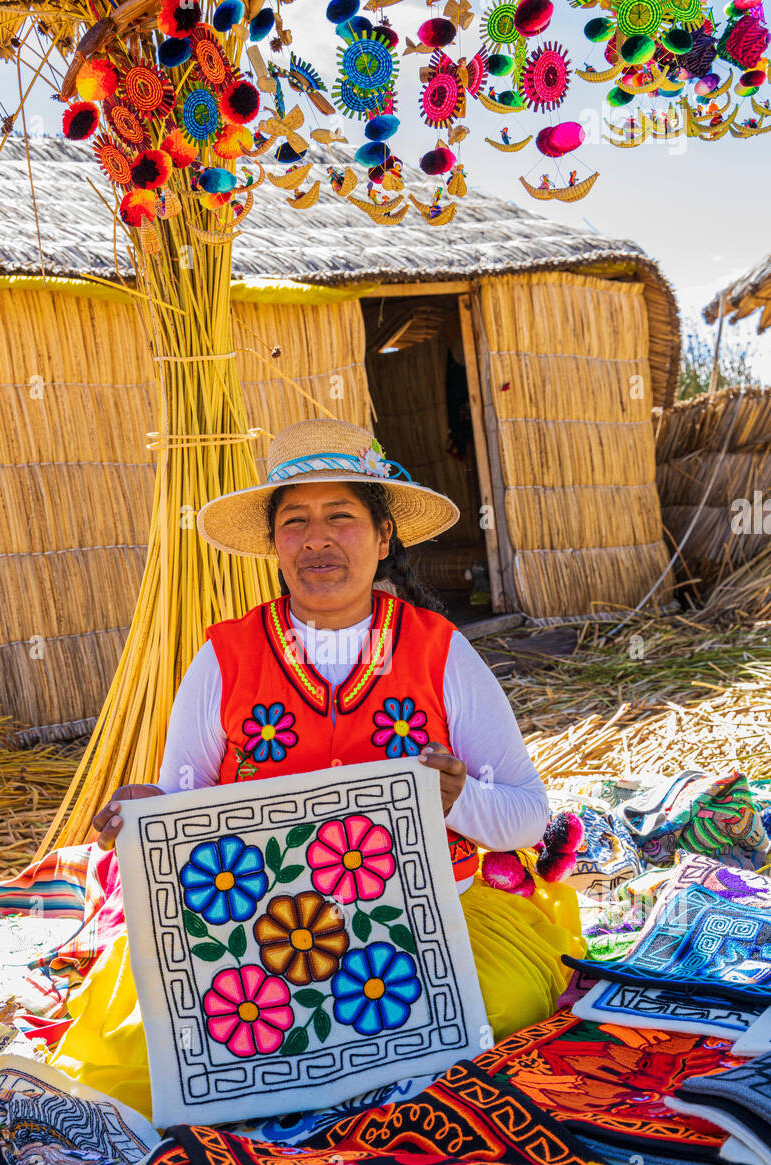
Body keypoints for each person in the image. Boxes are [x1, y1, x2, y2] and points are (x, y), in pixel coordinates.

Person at [54, 420, 583, 1115]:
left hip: (430, 923)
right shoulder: (225, 658)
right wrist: (147, 816)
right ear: (274, 543)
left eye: (342, 516)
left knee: (497, 1005)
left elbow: (525, 816)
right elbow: (184, 807)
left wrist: (457, 800)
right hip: (256, 944)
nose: (318, 539)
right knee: (146, 1058)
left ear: (384, 537)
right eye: (296, 521)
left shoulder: (440, 652)